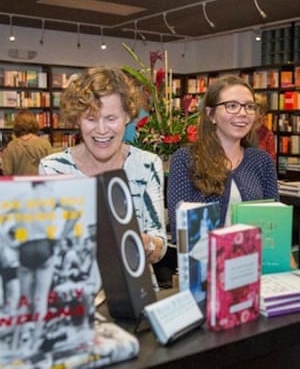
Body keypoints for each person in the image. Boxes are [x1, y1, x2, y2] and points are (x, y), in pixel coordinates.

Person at [38, 67, 167, 288]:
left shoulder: (146, 165)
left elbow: (160, 245)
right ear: (77, 119)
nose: (101, 130)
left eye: (111, 118)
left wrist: (145, 244)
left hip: (137, 294)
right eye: (91, 118)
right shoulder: (53, 169)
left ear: (127, 116)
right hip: (75, 297)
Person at [167, 75, 279, 243]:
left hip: (254, 265)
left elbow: (274, 226)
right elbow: (180, 229)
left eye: (249, 106)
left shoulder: (262, 161)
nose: (242, 113)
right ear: (211, 114)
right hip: (204, 264)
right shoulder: (185, 159)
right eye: (232, 106)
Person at [1, 110, 53, 176]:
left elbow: (6, 172)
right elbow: (52, 169)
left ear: (16, 126)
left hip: (19, 185)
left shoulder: (12, 146)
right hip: (40, 185)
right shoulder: (44, 144)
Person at [254, 93, 276, 163]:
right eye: (249, 107)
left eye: (254, 108)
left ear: (262, 113)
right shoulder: (242, 130)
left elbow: (272, 161)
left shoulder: (267, 134)